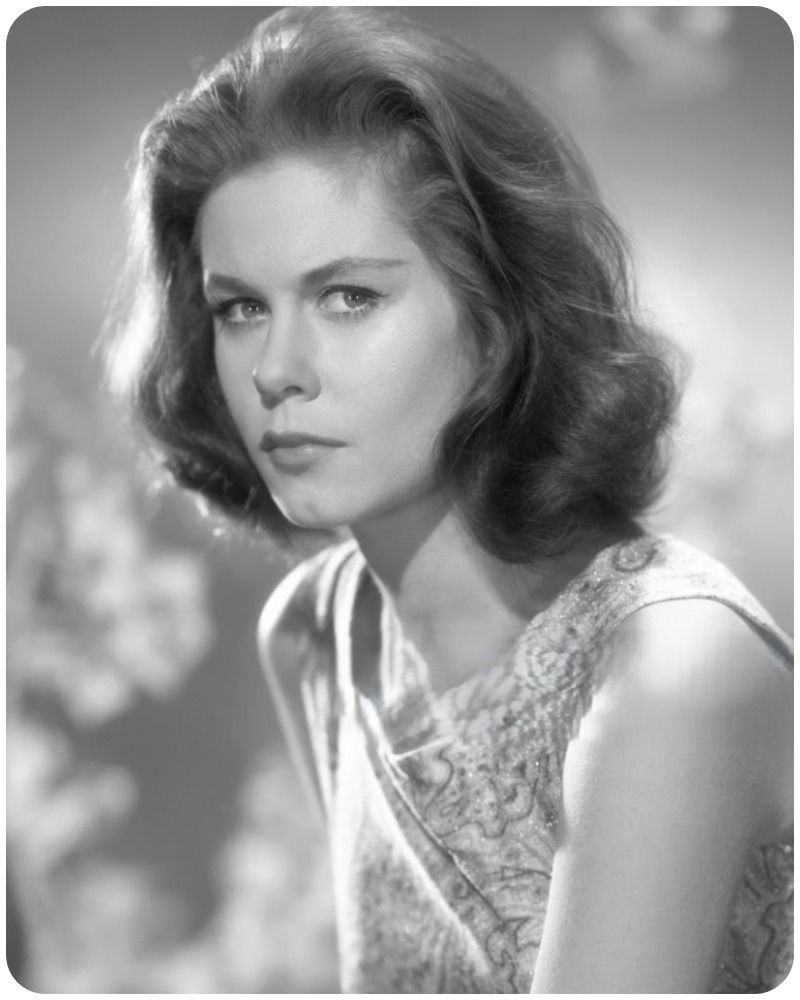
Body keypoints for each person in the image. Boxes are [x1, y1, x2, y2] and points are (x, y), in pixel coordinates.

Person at [106, 7, 793, 993]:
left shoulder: (670, 671)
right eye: (240, 307)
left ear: (499, 316)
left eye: (348, 296)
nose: (276, 370)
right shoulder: (314, 635)